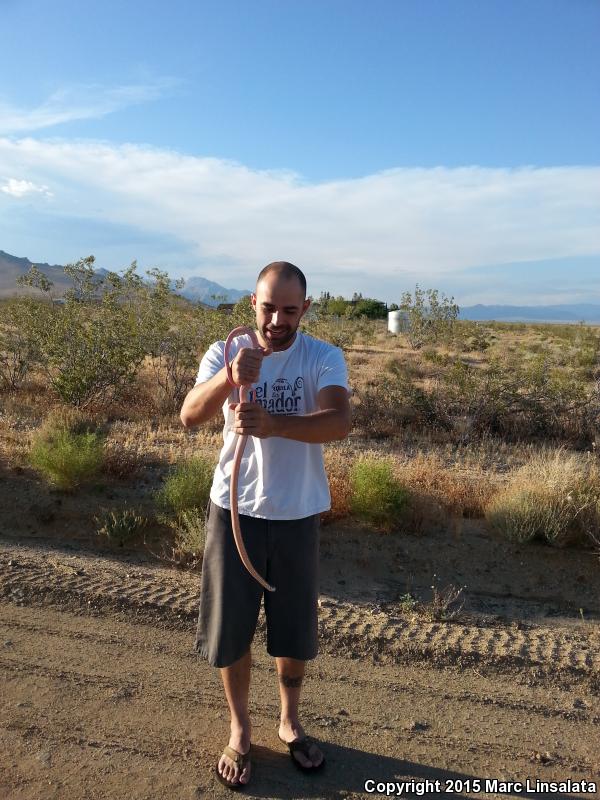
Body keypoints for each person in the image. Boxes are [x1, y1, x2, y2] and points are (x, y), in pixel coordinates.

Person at [180, 261, 351, 788]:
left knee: (294, 631)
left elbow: (339, 421)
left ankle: (289, 721)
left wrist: (273, 424)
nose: (278, 320)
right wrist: (229, 378)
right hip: (234, 511)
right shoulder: (225, 351)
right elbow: (189, 415)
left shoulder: (322, 356)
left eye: (289, 310)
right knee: (231, 628)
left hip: (297, 512)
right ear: (252, 303)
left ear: (306, 309)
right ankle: (240, 729)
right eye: (269, 307)